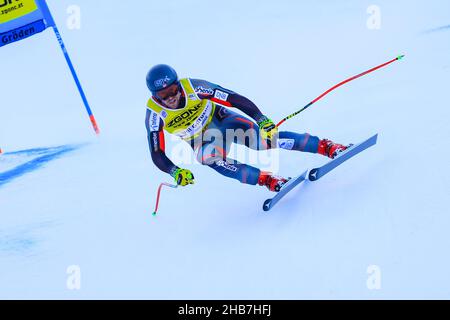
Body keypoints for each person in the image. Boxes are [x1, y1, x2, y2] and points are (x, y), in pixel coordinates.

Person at [145, 64, 350, 192]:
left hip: (222, 120)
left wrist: (261, 119)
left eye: (173, 90)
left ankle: (327, 147)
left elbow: (232, 98)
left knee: (264, 142)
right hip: (202, 140)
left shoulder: (194, 87)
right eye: (164, 95)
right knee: (208, 158)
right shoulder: (154, 115)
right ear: (155, 96)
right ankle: (267, 180)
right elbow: (156, 152)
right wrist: (175, 171)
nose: (171, 98)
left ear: (178, 85)